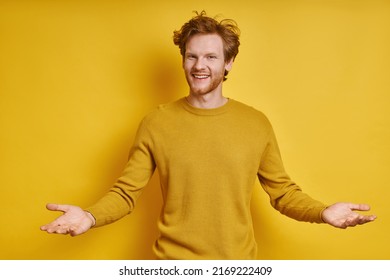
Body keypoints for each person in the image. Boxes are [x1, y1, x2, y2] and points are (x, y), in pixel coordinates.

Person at [40, 11, 376, 260]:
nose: (200, 65)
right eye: (192, 55)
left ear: (228, 63)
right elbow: (126, 194)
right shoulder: (156, 122)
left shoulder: (255, 123)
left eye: (211, 57)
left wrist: (323, 212)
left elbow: (284, 193)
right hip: (172, 267)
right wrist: (89, 215)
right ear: (183, 60)